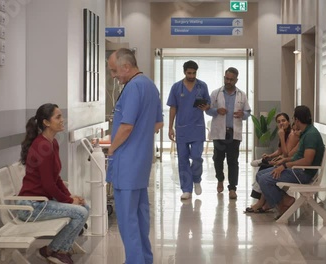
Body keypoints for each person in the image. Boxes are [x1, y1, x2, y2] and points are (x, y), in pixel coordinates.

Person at [107, 48, 164, 264]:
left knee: (127, 219)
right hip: (141, 163)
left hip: (127, 163)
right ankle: (144, 259)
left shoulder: (132, 88)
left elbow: (126, 126)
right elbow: (158, 123)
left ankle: (135, 261)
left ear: (126, 67)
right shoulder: (150, 86)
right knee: (140, 217)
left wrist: (112, 148)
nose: (113, 76)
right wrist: (142, 135)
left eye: (114, 71)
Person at [17, 103, 89, 264]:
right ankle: (54, 251)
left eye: (61, 116)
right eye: (58, 117)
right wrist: (70, 201)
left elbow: (56, 179)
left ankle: (56, 250)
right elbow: (49, 185)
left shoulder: (52, 143)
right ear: (46, 123)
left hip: (42, 202)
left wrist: (70, 196)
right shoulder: (42, 145)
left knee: (85, 207)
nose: (62, 120)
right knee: (80, 212)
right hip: (31, 206)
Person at [256, 105, 325, 219]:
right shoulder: (306, 133)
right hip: (297, 169)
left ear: (297, 120)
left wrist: (284, 165)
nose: (293, 121)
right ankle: (285, 200)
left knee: (264, 180)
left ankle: (282, 205)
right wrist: (284, 160)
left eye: (293, 119)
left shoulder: (311, 135)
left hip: (303, 173)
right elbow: (296, 156)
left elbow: (307, 161)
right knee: (260, 175)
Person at [167, 60, 211, 200]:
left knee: (197, 157)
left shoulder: (202, 86)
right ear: (184, 72)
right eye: (189, 73)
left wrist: (206, 107)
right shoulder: (176, 87)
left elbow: (208, 104)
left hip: (197, 127)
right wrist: (170, 127)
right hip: (182, 128)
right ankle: (186, 189)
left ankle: (196, 179)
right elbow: (173, 107)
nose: (191, 75)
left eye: (194, 73)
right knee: (183, 159)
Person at [206, 67, 251, 199]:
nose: (228, 81)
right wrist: (216, 111)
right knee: (217, 159)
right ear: (224, 78)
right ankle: (220, 179)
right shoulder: (216, 93)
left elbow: (248, 112)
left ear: (236, 80)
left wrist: (243, 114)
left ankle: (232, 188)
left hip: (233, 133)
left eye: (231, 79)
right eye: (227, 78)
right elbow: (207, 110)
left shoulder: (241, 95)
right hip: (219, 132)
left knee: (233, 161)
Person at [246, 113, 300, 213]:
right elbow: (280, 151)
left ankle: (263, 202)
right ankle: (265, 202)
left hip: (289, 165)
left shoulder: (291, 134)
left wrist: (282, 137)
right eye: (279, 122)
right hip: (284, 161)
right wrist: (270, 156)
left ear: (288, 121)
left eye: (283, 120)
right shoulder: (283, 133)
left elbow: (286, 153)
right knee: (262, 170)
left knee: (263, 172)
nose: (281, 123)